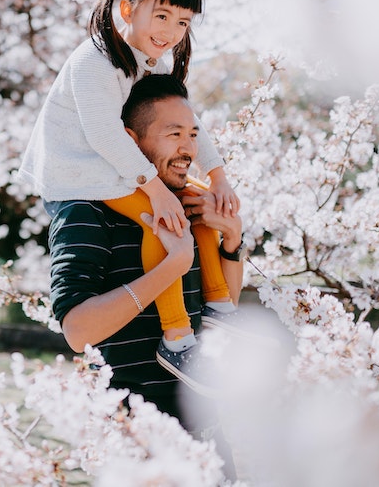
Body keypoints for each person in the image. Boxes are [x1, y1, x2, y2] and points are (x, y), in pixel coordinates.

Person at [19, 0, 242, 378]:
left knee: (196, 199)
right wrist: (157, 188)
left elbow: (193, 124)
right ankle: (178, 339)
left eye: (182, 22)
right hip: (80, 176)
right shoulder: (95, 61)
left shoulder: (152, 63)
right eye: (161, 16)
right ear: (127, 10)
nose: (171, 32)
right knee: (165, 218)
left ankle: (220, 306)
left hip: (117, 169)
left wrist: (218, 177)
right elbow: (104, 134)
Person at [48, 74, 244, 479]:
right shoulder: (86, 211)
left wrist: (231, 241)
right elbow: (77, 330)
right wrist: (171, 265)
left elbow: (222, 310)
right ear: (129, 141)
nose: (188, 147)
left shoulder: (186, 202)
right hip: (135, 444)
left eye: (192, 134)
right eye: (173, 134)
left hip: (208, 438)